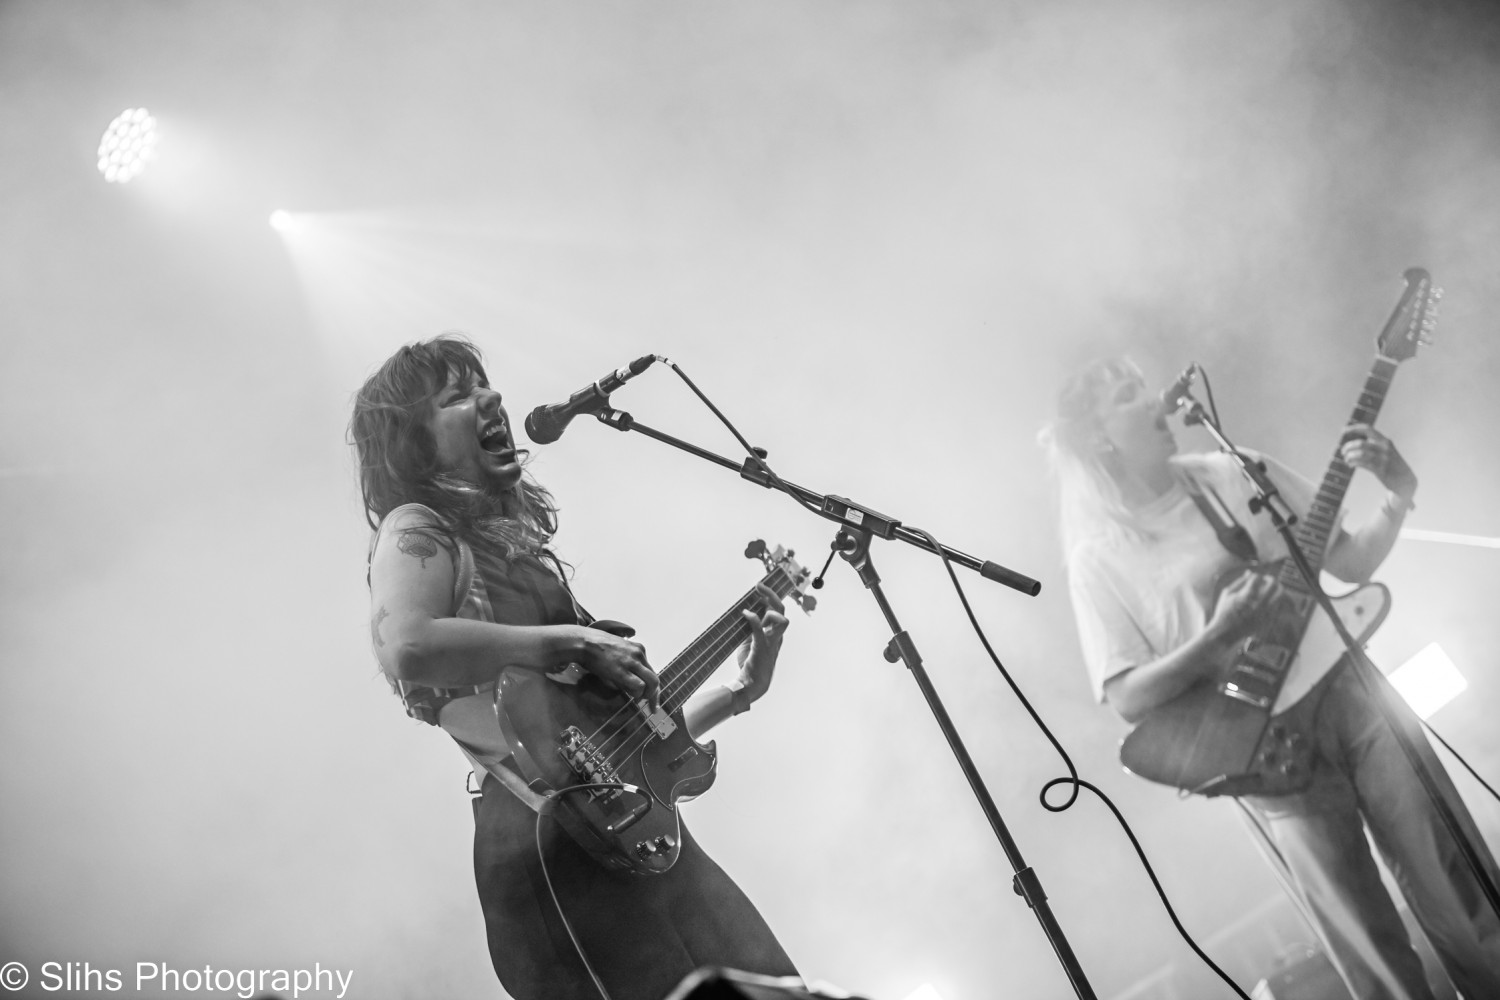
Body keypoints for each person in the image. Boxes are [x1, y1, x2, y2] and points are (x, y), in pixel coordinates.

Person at [350, 334, 798, 1000]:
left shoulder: (519, 562)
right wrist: (575, 643)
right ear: (414, 444)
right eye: (457, 396)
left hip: (633, 831)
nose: (491, 397)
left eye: (483, 384)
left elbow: (619, 751)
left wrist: (739, 690)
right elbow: (408, 643)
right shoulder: (415, 527)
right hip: (547, 840)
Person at [1041, 357, 1500, 1000]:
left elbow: (1350, 558)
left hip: (1352, 690)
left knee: (1459, 884)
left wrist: (1398, 492)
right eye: (1126, 397)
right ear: (1099, 438)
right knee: (1371, 951)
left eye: (1145, 389)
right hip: (1267, 753)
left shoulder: (1234, 470)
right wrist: (1215, 638)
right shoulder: (1099, 558)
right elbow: (1125, 696)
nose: (1151, 402)